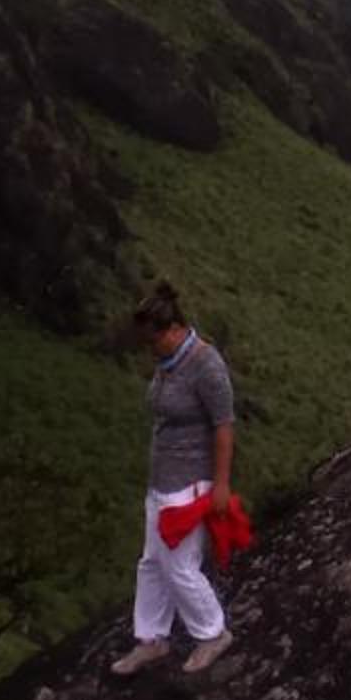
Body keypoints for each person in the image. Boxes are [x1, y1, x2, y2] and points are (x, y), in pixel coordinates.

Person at [111, 282, 238, 676]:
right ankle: (151, 638)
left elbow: (224, 425)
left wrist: (221, 484)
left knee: (179, 565)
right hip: (162, 478)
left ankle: (212, 633)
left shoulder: (206, 365)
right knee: (152, 561)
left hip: (190, 482)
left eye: (154, 341)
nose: (151, 350)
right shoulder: (169, 363)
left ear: (173, 330)